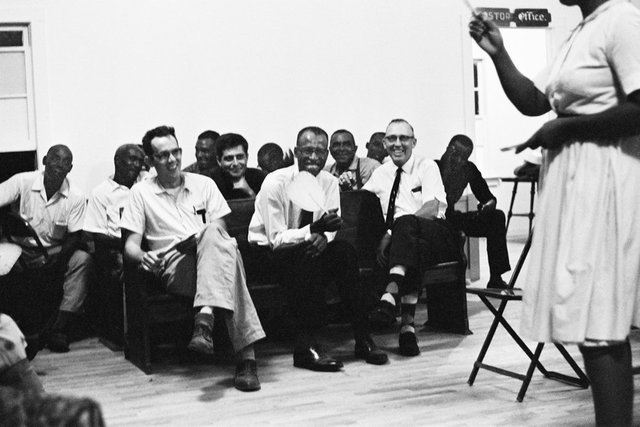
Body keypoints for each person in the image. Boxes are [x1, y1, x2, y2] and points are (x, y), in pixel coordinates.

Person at [469, 1, 640, 424]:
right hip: (577, 184)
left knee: (600, 323)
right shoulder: (580, 31)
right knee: (585, 319)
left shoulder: (622, 20)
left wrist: (563, 131)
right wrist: (498, 52)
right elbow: (533, 100)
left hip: (608, 186)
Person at [120, 126, 265, 392]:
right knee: (228, 261)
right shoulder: (140, 193)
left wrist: (202, 238)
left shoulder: (204, 184)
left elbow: (219, 228)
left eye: (176, 152)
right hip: (175, 264)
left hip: (213, 257)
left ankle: (205, 320)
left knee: (214, 238)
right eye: (163, 155)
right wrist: (144, 255)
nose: (173, 159)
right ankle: (246, 361)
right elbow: (130, 245)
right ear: (151, 161)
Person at [247, 126, 388, 371]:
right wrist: (314, 230)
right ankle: (305, 347)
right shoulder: (275, 183)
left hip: (307, 247)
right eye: (309, 151)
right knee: (305, 257)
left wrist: (324, 235)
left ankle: (363, 338)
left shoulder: (328, 181)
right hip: (268, 256)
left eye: (321, 152)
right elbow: (276, 239)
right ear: (297, 151)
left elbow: (331, 224)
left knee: (344, 252)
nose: (314, 157)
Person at [363, 119, 461, 357]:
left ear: (414, 142)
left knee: (404, 222)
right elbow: (361, 199)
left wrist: (391, 232)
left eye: (404, 138)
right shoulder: (381, 173)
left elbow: (432, 207)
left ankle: (391, 292)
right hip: (411, 246)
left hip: (436, 233)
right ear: (385, 143)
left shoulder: (427, 166)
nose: (398, 144)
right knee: (414, 248)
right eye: (392, 139)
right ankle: (407, 328)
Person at [0, 145, 93, 353]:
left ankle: (58, 328)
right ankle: (9, 330)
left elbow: (74, 236)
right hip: (18, 248)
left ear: (70, 168)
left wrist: (58, 260)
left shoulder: (76, 196)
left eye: (65, 161)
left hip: (54, 251)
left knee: (83, 260)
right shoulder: (22, 181)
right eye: (54, 159)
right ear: (44, 161)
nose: (59, 165)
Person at [83, 144, 145, 343]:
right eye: (132, 160)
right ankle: (122, 333)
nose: (136, 165)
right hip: (114, 249)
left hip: (146, 246)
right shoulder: (101, 193)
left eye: (140, 161)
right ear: (118, 161)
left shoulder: (146, 186)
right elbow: (97, 235)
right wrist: (125, 246)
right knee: (119, 265)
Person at [436, 134, 510, 289]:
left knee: (497, 217)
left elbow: (487, 197)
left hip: (452, 218)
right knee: (448, 230)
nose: (459, 161)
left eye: (464, 157)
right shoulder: (433, 167)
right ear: (448, 149)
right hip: (435, 220)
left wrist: (489, 204)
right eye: (455, 155)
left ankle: (496, 277)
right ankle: (450, 283)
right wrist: (447, 168)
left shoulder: (468, 169)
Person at [211, 133, 266, 200]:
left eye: (240, 157)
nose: (236, 163)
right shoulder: (210, 182)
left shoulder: (261, 178)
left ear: (247, 157)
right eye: (229, 158)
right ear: (219, 161)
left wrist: (249, 192)